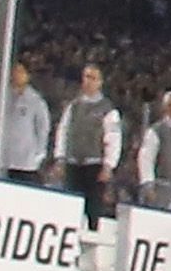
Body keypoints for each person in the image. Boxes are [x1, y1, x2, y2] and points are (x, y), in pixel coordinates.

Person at [51, 64, 122, 229]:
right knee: (70, 206)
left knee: (93, 208)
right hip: (73, 162)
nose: (88, 81)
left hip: (94, 165)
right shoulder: (73, 106)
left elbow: (113, 138)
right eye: (86, 77)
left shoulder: (108, 110)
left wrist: (108, 165)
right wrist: (60, 158)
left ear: (100, 82)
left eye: (93, 78)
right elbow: (63, 131)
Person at [0, 62, 49, 184]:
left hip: (26, 161)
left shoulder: (36, 101)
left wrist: (38, 155)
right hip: (3, 158)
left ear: (28, 75)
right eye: (15, 71)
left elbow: (43, 129)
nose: (17, 75)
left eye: (21, 71)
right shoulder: (1, 96)